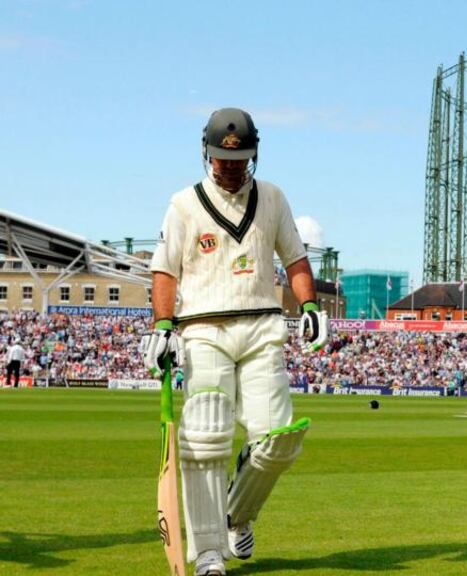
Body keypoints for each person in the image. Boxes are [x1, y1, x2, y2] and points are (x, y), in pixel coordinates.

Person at [144, 108, 329, 576]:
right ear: (206, 153)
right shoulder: (184, 204)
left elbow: (296, 259)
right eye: (223, 159)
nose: (232, 167)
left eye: (241, 158)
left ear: (254, 154)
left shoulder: (272, 198)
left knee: (279, 441)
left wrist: (309, 307)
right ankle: (208, 552)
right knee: (205, 436)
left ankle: (237, 514)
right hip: (204, 328)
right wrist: (163, 326)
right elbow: (164, 270)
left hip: (263, 326)